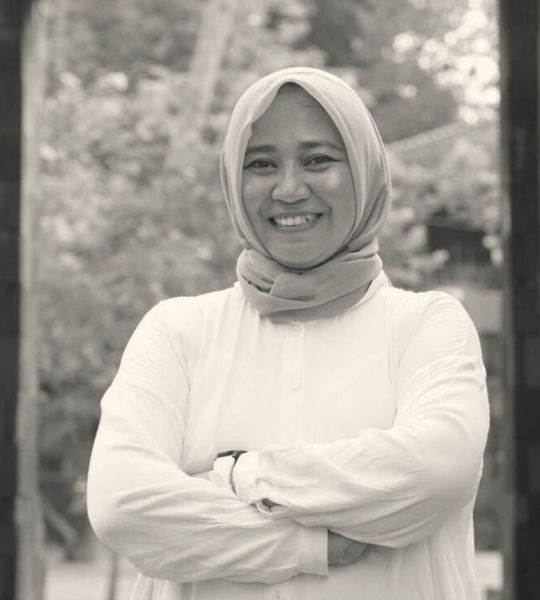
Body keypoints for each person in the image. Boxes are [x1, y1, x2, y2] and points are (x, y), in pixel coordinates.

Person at [87, 67, 490, 599]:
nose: (290, 189)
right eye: (261, 164)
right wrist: (307, 546)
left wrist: (238, 476)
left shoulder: (427, 326)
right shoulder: (179, 332)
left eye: (318, 160)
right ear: (234, 181)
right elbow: (121, 505)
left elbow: (435, 473)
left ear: (364, 172)